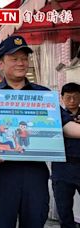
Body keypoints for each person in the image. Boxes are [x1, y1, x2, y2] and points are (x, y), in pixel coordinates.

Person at [0, 35, 80, 228]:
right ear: (0, 63)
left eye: (24, 58)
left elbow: (65, 125)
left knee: (34, 222)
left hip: (35, 174)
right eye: (14, 59)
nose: (21, 63)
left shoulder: (43, 95)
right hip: (2, 174)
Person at [51, 82, 80, 228]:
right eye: (68, 97)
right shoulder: (54, 117)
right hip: (62, 167)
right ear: (62, 98)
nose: (72, 101)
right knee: (64, 210)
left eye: (76, 97)